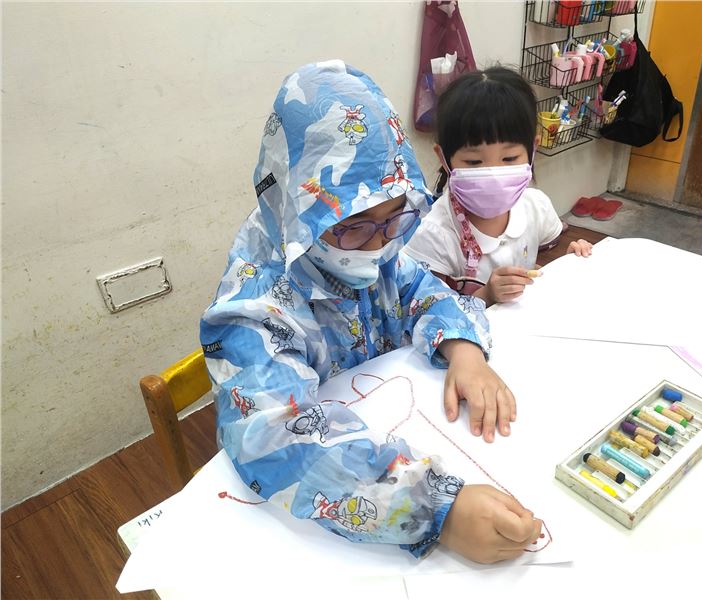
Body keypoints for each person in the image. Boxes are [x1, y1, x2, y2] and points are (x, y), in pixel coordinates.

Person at [200, 60, 541, 564]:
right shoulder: (253, 312)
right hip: (301, 541)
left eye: (395, 217)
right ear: (302, 211)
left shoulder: (376, 250)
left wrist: (463, 350)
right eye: (355, 226)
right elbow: (278, 438)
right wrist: (434, 510)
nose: (379, 244)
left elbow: (424, 291)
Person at [404, 66, 593, 306]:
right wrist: (487, 296)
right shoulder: (434, 234)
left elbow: (542, 269)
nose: (493, 174)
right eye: (474, 162)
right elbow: (428, 311)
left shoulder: (536, 206)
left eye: (509, 158)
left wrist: (568, 263)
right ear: (443, 158)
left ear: (533, 149)